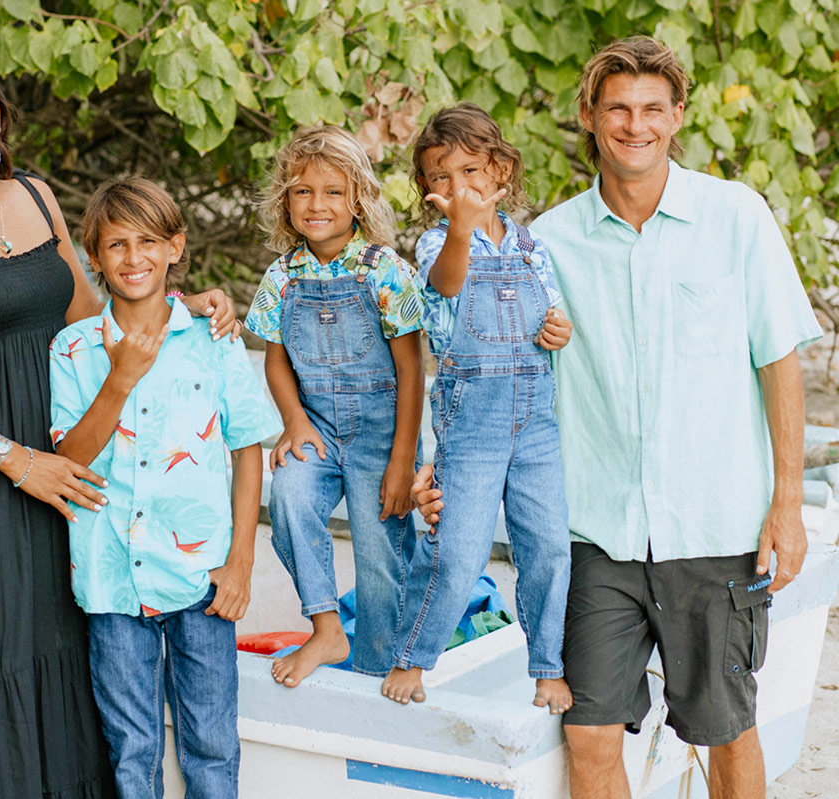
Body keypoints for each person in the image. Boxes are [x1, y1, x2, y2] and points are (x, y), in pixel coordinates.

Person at [412, 37, 822, 799]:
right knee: (589, 733)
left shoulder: (735, 216)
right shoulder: (546, 245)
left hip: (715, 528)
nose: (636, 125)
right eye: (618, 109)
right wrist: (445, 464)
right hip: (597, 532)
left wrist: (787, 503)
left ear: (677, 117)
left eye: (652, 110)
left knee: (726, 732)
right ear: (590, 119)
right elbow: (485, 359)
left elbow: (779, 362)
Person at [0, 46, 236, 799]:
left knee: (70, 657)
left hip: (67, 461)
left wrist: (178, 308)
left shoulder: (35, 196)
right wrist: (15, 459)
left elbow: (91, 319)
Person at [49, 177, 279, 799]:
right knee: (132, 748)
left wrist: (240, 565)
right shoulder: (71, 350)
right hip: (111, 578)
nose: (133, 258)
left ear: (176, 246)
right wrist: (119, 380)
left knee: (210, 742)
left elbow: (247, 446)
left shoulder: (213, 338)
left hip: (202, 577)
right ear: (94, 257)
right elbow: (67, 458)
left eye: (148, 241)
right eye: (116, 245)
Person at [380, 103, 574, 711]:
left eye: (471, 171)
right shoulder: (438, 242)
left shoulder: (531, 245)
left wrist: (558, 329)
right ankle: (413, 656)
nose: (458, 187)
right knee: (458, 551)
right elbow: (446, 286)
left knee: (546, 545)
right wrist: (461, 226)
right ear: (426, 190)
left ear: (501, 172)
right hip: (475, 418)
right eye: (441, 177)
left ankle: (547, 666)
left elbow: (553, 312)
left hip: (537, 418)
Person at [244, 125, 425, 686]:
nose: (316, 204)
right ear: (285, 201)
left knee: (379, 557)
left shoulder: (385, 271)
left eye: (331, 192)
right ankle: (325, 627)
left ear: (358, 200)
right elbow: (275, 361)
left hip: (382, 435)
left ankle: (378, 666)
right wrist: (293, 421)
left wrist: (403, 461)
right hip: (317, 426)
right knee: (291, 501)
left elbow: (411, 369)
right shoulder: (282, 275)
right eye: (302, 192)